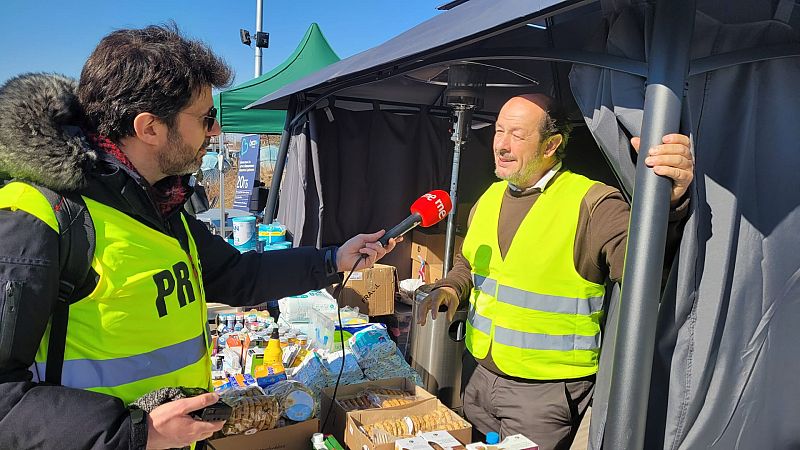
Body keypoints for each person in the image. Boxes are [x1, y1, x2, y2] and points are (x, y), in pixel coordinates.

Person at [0, 25, 398, 450]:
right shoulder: (39, 217)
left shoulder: (163, 206)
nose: (216, 130)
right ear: (149, 127)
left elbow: (238, 276)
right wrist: (136, 432)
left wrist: (333, 259)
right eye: (205, 118)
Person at [417, 94, 693, 450]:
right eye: (499, 131)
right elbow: (469, 263)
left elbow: (651, 273)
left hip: (544, 397)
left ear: (552, 145)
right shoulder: (490, 196)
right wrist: (452, 288)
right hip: (479, 379)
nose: (501, 144)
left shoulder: (594, 203)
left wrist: (669, 203)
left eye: (516, 134)